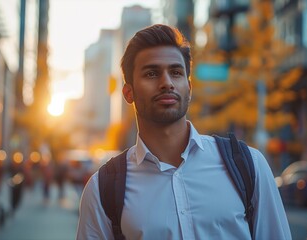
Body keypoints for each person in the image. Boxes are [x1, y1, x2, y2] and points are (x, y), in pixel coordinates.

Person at [77, 24, 291, 240]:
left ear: (189, 87)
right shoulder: (102, 189)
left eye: (176, 72)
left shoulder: (248, 165)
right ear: (128, 92)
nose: (166, 83)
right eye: (151, 73)